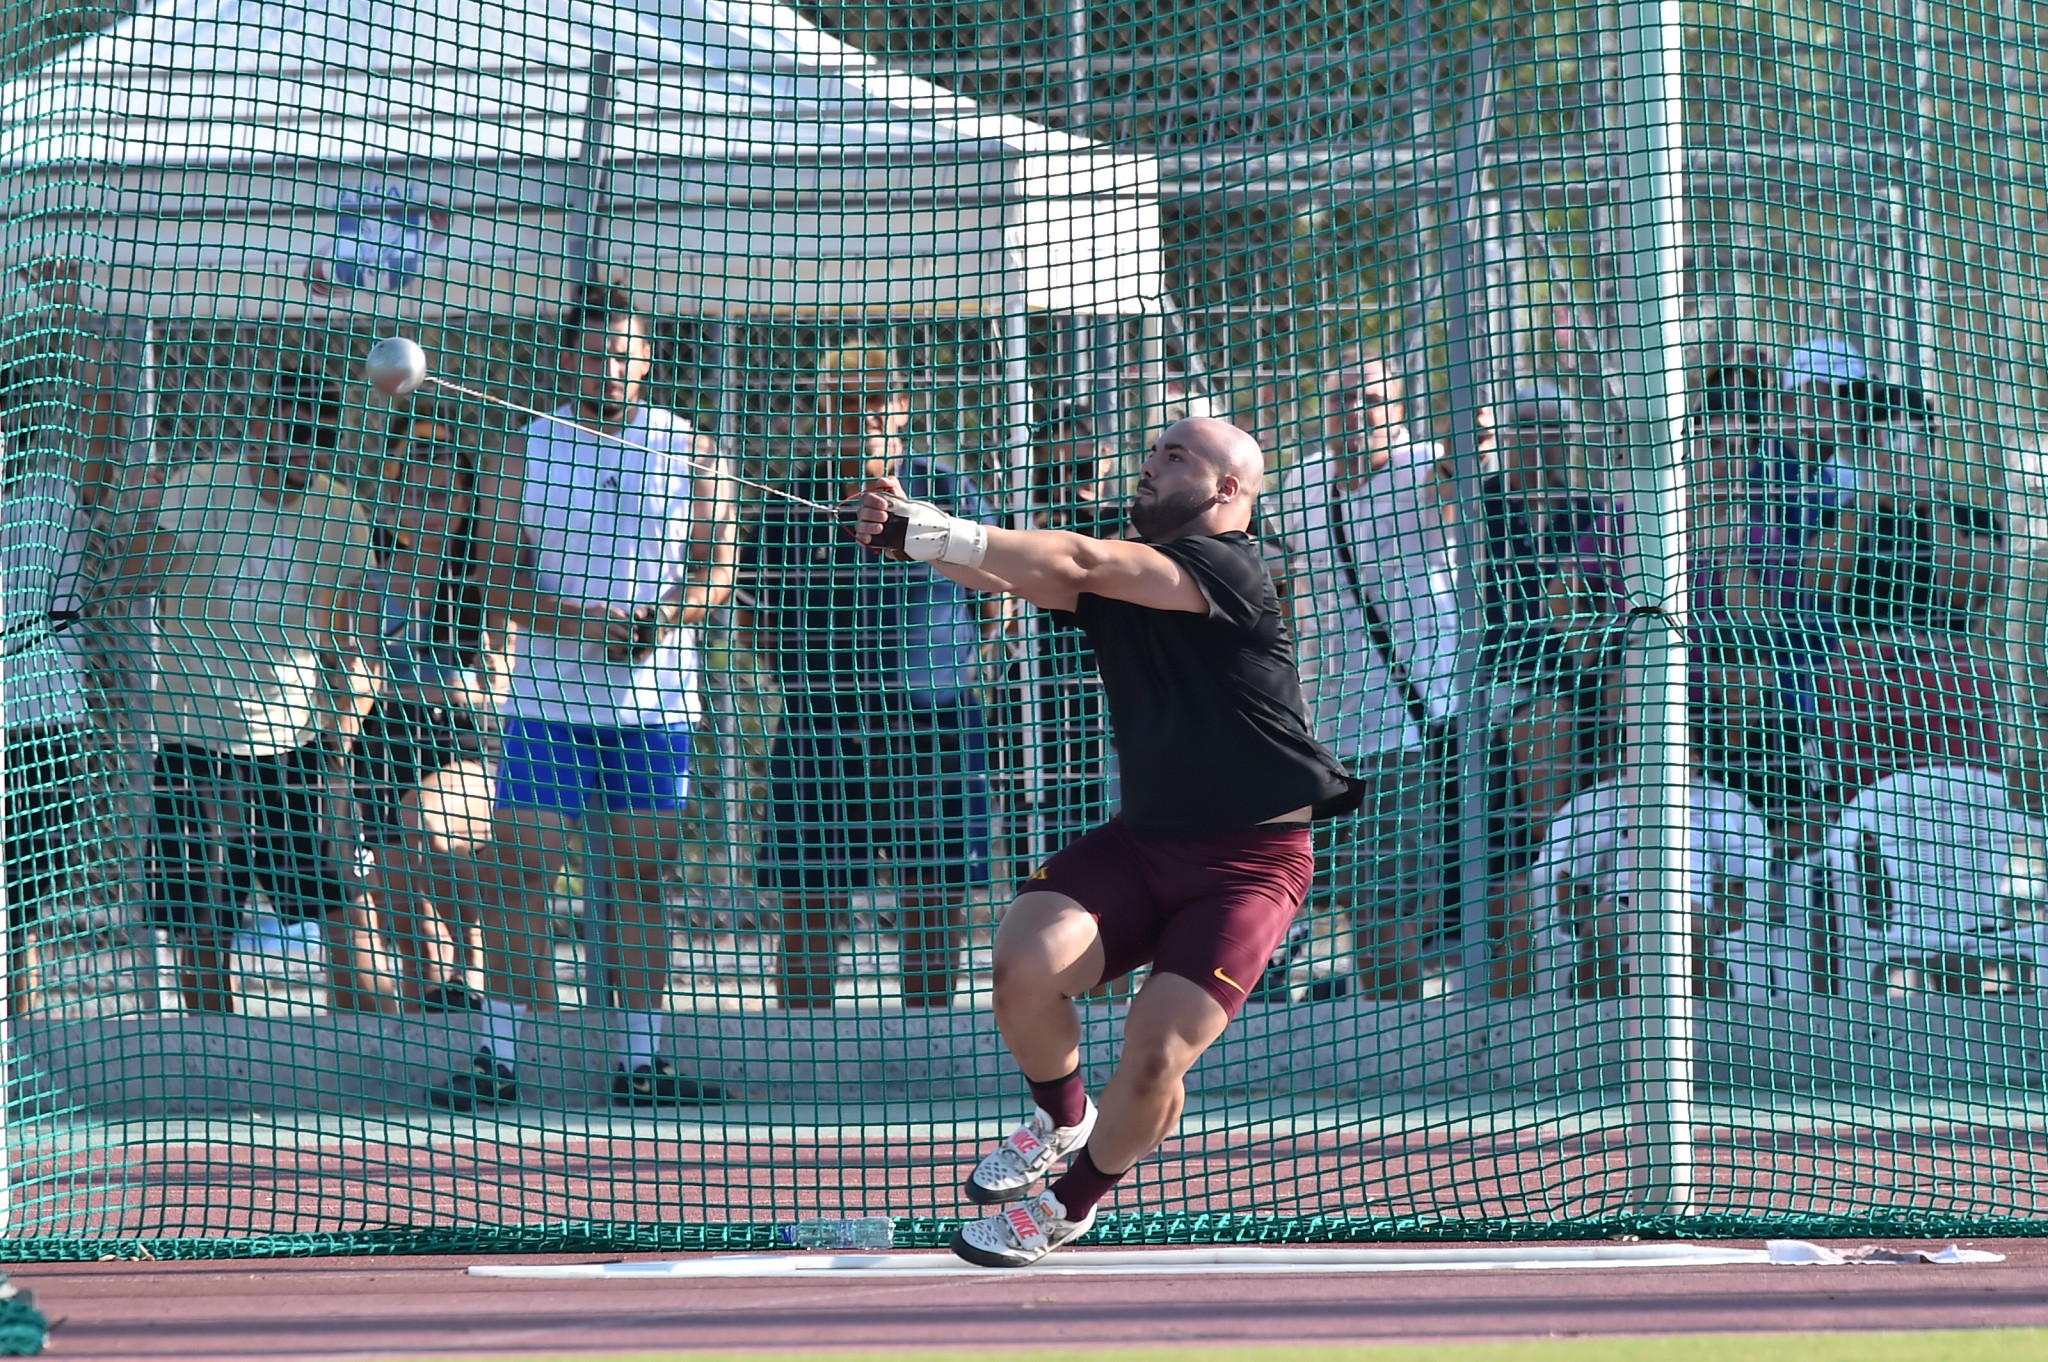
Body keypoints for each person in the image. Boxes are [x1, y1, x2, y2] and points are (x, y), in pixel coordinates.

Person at [847, 414, 1362, 1267]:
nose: (1151, 464)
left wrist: (933, 527)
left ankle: (1069, 1201)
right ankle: (1061, 1114)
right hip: (1144, 841)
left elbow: (1080, 560)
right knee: (1021, 967)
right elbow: (1021, 575)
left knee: (1158, 1053)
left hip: (1250, 866)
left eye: (1176, 456)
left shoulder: (1230, 568)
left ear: (1228, 490)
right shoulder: (1127, 578)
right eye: (1153, 449)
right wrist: (914, 538)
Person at [457, 284, 737, 1110]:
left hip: (654, 710)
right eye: (591, 352)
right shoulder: (525, 449)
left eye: (623, 352)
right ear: (566, 357)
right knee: (522, 869)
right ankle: (498, 1058)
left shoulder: (691, 449)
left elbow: (719, 569)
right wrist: (580, 622)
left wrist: (661, 618)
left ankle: (640, 1063)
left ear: (647, 360)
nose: (607, 366)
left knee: (643, 878)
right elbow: (494, 577)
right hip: (547, 705)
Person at [105, 370, 390, 1014]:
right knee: (201, 921)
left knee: (343, 908)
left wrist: (344, 742)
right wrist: (148, 522)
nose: (303, 450)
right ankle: (218, 1064)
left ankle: (369, 1058)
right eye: (291, 431)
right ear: (259, 426)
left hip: (303, 744)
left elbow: (355, 639)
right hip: (196, 743)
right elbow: (125, 585)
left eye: (319, 437)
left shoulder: (340, 508)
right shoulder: (200, 487)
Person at [744, 345, 999, 1009]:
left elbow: (994, 599)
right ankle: (804, 1052)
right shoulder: (787, 506)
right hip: (820, 728)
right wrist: (810, 686)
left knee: (932, 898)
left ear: (904, 408)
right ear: (823, 410)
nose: (863, 418)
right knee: (808, 899)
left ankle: (930, 1045)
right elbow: (757, 627)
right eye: (846, 402)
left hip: (933, 726)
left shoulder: (947, 492)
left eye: (878, 402)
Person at [1266, 357, 1458, 999]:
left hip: (1414, 723)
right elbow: (1286, 582)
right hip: (1331, 731)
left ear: (1398, 408)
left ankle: (1411, 1044)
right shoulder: (1304, 485)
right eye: (1343, 397)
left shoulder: (1423, 467)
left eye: (1372, 398)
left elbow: (1455, 481)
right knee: (1364, 902)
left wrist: (1477, 434)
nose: (1356, 411)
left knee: (1397, 902)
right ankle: (1385, 1034)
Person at [353, 413, 511, 1010]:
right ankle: (435, 1004)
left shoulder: (487, 581)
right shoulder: (375, 581)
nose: (426, 506)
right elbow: (358, 667)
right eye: (412, 494)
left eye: (441, 494)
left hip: (467, 744)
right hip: (383, 741)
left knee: (426, 823)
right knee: (392, 884)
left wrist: (432, 690)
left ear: (467, 501)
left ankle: (476, 972)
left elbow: (501, 691)